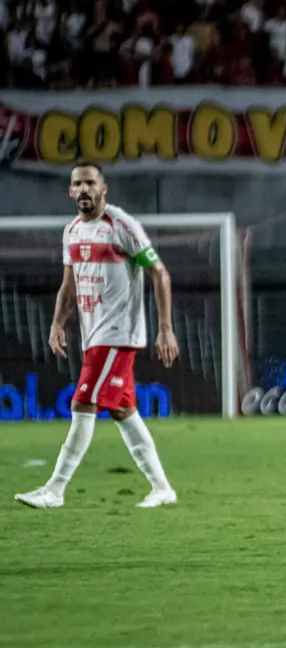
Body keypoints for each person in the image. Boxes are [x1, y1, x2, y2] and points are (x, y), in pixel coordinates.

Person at [15, 161, 180, 509]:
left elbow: (160, 274)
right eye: (78, 184)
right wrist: (57, 324)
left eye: (91, 183)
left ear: (104, 188)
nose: (84, 189)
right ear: (71, 191)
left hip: (119, 335)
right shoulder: (72, 231)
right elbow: (68, 285)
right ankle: (162, 487)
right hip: (94, 337)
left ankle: (54, 490)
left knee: (82, 402)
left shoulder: (121, 226)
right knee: (123, 410)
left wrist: (165, 329)